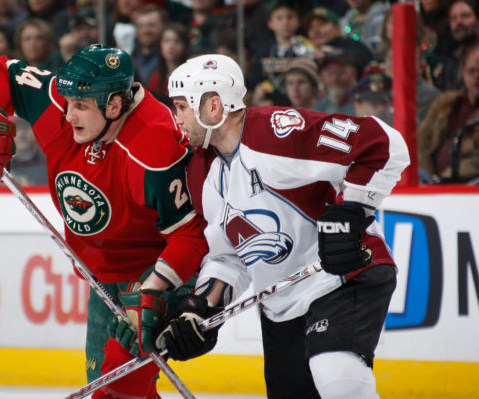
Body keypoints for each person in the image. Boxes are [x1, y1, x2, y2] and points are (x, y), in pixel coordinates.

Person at [0, 44, 208, 398]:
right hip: (102, 277)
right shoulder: (64, 98)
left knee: (120, 389)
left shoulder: (156, 146)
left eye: (81, 107)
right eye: (69, 102)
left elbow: (190, 236)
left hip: (155, 276)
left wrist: (154, 290)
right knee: (104, 386)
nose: (68, 114)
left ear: (115, 105)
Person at [157, 54, 410, 398]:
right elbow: (230, 256)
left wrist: (352, 211)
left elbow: (386, 144)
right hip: (280, 304)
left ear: (213, 106)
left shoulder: (276, 131)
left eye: (181, 107)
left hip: (343, 274)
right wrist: (203, 305)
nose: (177, 119)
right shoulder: (201, 172)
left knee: (337, 373)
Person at [418, 41, 479, 183]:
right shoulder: (445, 102)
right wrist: (431, 177)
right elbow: (421, 140)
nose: (476, 76)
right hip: (433, 186)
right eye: (472, 71)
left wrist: (456, 170)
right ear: (463, 72)